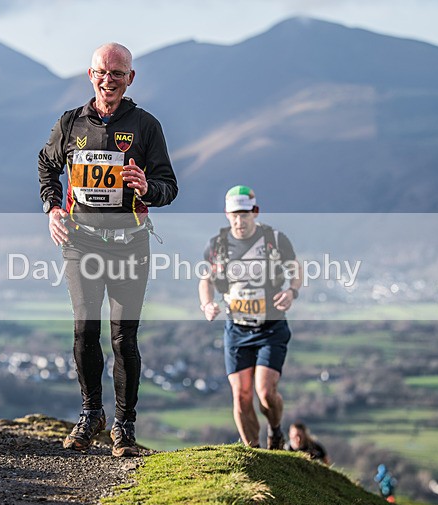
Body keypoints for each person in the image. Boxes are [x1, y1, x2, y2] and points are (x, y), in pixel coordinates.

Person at [38, 43, 177, 457]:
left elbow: (169, 186)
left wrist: (146, 186)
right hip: (80, 242)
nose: (109, 79)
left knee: (124, 338)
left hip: (129, 244)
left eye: (118, 73)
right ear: (90, 74)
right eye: (102, 71)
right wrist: (51, 207)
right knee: (84, 330)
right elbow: (47, 165)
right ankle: (91, 413)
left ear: (130, 78)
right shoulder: (70, 123)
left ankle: (125, 427)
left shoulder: (146, 127)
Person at [198, 185, 301, 449]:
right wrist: (207, 304)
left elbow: (296, 268)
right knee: (241, 395)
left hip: (271, 327)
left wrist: (291, 290)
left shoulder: (274, 240)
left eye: (244, 214)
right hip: (237, 328)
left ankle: (275, 430)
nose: (239, 220)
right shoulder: (217, 245)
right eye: (234, 214)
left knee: (265, 393)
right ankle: (253, 451)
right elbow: (206, 279)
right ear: (226, 214)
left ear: (255, 212)